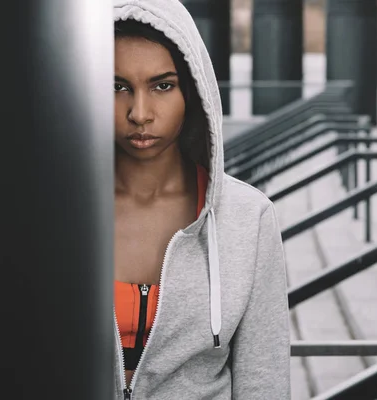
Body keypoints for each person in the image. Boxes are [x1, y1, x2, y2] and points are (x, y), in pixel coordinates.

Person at [113, 1, 290, 398]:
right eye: (118, 87)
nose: (140, 113)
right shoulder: (53, 214)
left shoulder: (247, 217)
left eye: (162, 85)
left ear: (193, 91)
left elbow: (264, 381)